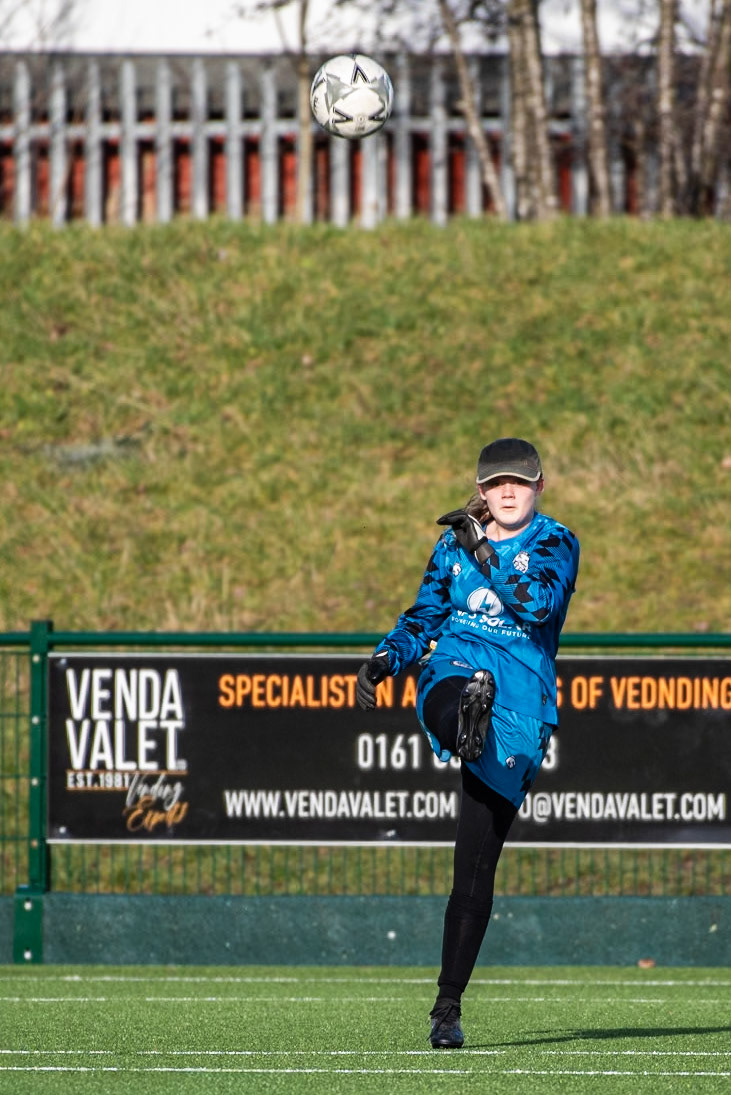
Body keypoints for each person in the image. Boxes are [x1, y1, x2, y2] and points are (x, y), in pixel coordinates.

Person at [356, 438, 580, 1049]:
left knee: (475, 866)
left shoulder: (556, 542)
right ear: (481, 489)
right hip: (458, 667)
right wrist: (384, 660)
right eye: (496, 483)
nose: (508, 491)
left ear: (539, 487)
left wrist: (481, 548)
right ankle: (463, 718)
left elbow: (537, 604)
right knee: (446, 685)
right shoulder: (450, 545)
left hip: (520, 703)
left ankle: (446, 1009)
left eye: (520, 482)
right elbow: (424, 616)